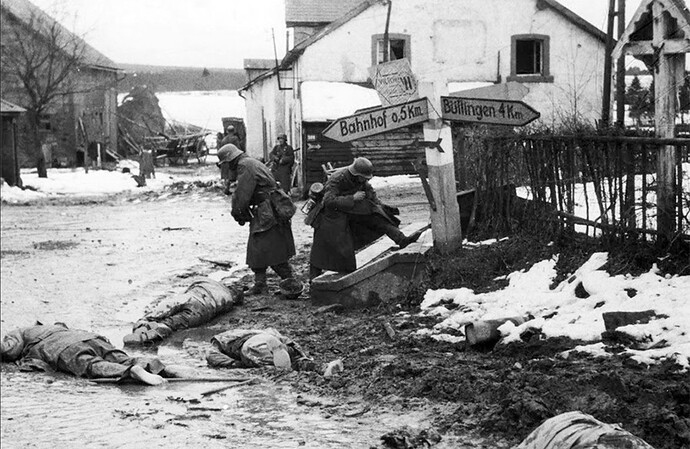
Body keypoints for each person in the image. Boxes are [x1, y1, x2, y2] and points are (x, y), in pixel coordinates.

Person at [309, 157, 422, 279]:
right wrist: (352, 198)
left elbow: (370, 193)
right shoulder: (337, 178)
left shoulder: (361, 180)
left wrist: (379, 207)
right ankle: (313, 277)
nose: (365, 180)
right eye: (364, 177)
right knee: (321, 247)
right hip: (330, 216)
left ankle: (402, 240)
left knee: (378, 219)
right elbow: (328, 201)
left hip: (348, 211)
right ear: (356, 174)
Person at [217, 144, 296, 294]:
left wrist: (238, 213)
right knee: (258, 248)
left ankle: (290, 282)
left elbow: (242, 195)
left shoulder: (244, 166)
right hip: (270, 209)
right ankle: (261, 284)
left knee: (270, 247)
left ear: (230, 160)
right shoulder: (250, 162)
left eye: (225, 164)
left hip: (268, 211)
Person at [0, 323, 185, 385]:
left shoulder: (20, 332)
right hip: (90, 337)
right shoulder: (57, 326)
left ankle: (129, 371)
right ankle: (160, 367)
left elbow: (9, 349)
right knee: (120, 356)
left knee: (91, 365)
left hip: (63, 348)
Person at [123, 278, 242, 346]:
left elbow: (192, 286)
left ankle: (144, 323)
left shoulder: (210, 282)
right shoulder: (229, 301)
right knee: (174, 322)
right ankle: (158, 330)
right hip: (206, 312)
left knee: (165, 309)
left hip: (194, 297)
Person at [205, 328, 315, 372]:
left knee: (268, 366)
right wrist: (301, 354)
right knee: (292, 357)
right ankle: (304, 363)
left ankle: (281, 369)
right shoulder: (265, 331)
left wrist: (235, 364)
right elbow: (286, 340)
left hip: (251, 345)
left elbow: (211, 355)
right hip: (272, 338)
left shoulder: (220, 339)